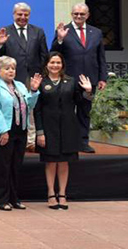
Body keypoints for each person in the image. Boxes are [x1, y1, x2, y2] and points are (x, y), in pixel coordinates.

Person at [35, 52, 92, 210]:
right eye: (52, 62)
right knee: (51, 161)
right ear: (47, 64)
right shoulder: (41, 82)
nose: (55, 65)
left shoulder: (71, 81)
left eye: (58, 62)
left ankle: (62, 194)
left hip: (68, 128)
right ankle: (51, 193)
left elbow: (81, 104)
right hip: (48, 128)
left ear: (62, 65)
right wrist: (40, 132)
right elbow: (37, 110)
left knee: (64, 162)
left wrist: (87, 92)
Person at [0, 56, 41, 211]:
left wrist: (34, 91)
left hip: (20, 130)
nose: (11, 71)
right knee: (3, 165)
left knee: (16, 165)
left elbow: (30, 104)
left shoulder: (21, 85)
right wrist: (3, 131)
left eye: (13, 68)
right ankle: (1, 199)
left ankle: (14, 198)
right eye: (7, 68)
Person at [50, 3, 107, 154]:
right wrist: (60, 39)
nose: (78, 16)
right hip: (68, 79)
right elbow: (54, 53)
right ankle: (66, 142)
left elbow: (101, 57)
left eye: (82, 14)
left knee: (84, 111)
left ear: (87, 15)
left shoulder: (96, 32)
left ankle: (83, 142)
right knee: (66, 112)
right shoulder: (63, 31)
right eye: (75, 14)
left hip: (89, 80)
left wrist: (103, 78)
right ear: (71, 14)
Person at [0, 2, 49, 150]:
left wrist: (41, 75)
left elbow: (44, 55)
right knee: (14, 109)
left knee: (34, 109)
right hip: (12, 79)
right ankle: (15, 139)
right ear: (14, 14)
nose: (23, 17)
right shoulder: (5, 31)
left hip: (33, 77)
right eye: (19, 14)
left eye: (26, 14)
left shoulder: (38, 31)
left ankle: (31, 142)